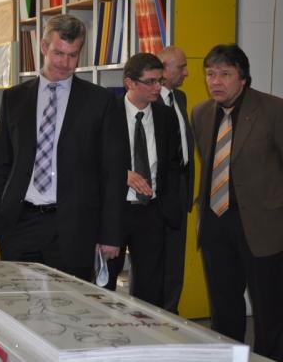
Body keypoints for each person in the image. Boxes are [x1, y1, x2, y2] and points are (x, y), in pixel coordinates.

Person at [0, 14, 126, 281]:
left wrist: (110, 234)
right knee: (18, 300)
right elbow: (0, 163)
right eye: (58, 53)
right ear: (43, 47)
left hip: (75, 228)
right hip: (20, 224)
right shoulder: (14, 98)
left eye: (73, 55)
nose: (65, 63)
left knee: (69, 302)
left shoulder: (100, 102)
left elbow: (113, 172)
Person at [191, 44, 283, 361]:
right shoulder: (200, 113)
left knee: (269, 312)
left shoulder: (273, 110)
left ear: (243, 78)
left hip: (262, 226)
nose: (215, 81)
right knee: (223, 309)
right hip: (216, 224)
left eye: (225, 74)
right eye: (210, 74)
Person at [104, 53, 181, 307]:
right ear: (130, 82)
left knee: (150, 290)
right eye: (150, 82)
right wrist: (122, 174)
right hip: (115, 211)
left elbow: (172, 164)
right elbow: (90, 162)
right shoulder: (107, 113)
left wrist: (167, 207)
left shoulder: (166, 116)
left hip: (151, 212)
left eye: (160, 80)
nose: (158, 87)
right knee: (104, 283)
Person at [156, 46, 194, 313]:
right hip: (156, 193)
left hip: (180, 189)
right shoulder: (147, 100)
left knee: (175, 260)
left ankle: (171, 313)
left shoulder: (180, 98)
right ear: (164, 68)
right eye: (181, 67)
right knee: (152, 260)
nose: (186, 72)